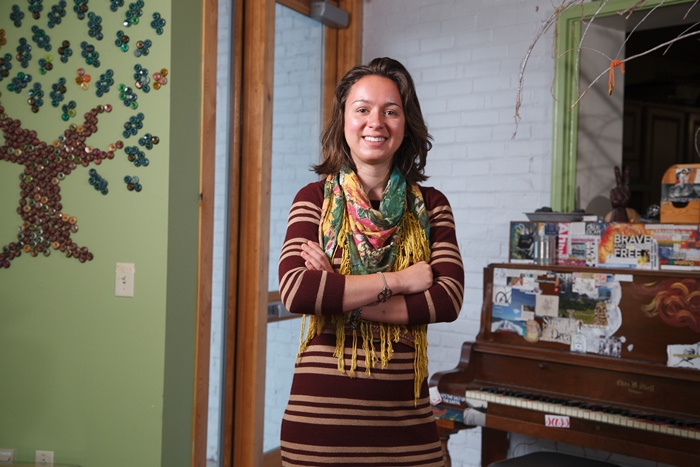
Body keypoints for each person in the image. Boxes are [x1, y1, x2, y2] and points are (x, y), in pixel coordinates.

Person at [278, 57, 464, 466]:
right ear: (343, 121)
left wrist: (338, 292)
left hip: (408, 432)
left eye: (390, 111)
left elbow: (447, 300)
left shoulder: (432, 207)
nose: (375, 122)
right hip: (318, 433)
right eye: (362, 109)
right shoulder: (314, 199)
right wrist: (402, 280)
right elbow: (298, 291)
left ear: (405, 123)